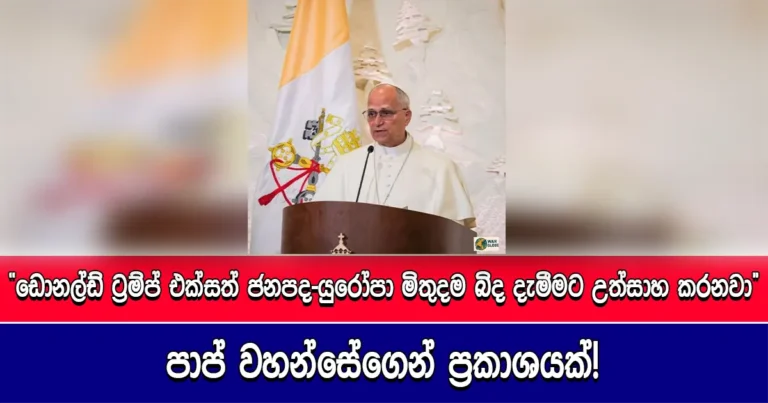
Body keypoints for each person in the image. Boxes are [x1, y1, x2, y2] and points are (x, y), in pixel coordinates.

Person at [313, 84, 476, 228]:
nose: (377, 122)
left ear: (407, 116)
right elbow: (321, 220)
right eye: (371, 114)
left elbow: (452, 236)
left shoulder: (441, 168)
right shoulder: (347, 165)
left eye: (386, 113)